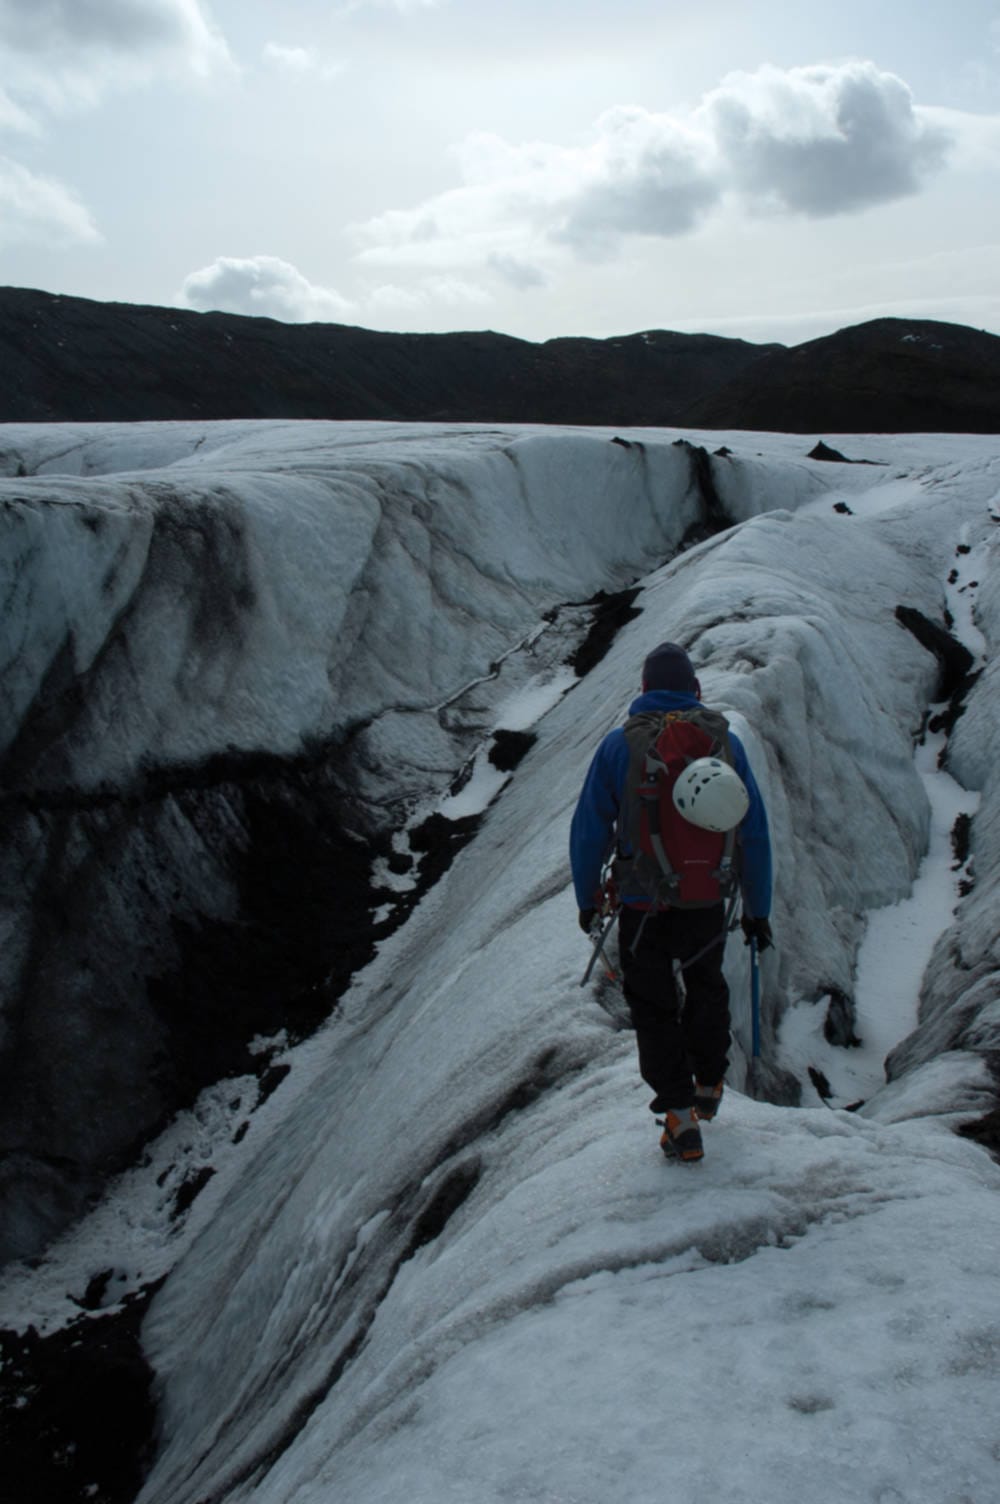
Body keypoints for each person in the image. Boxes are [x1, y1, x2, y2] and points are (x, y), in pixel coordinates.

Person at [570, 641, 772, 1162]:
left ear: (643, 690)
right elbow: (753, 830)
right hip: (705, 896)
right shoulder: (725, 743)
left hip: (642, 904)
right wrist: (758, 909)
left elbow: (590, 828)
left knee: (655, 1006)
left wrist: (587, 897)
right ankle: (710, 1082)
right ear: (695, 689)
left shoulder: (620, 747)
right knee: (705, 985)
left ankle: (679, 1119)